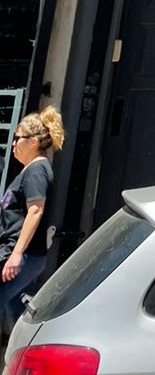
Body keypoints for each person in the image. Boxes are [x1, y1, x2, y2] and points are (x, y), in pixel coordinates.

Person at [0, 107, 65, 326]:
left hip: (22, 256)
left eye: (18, 138)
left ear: (33, 142)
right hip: (22, 256)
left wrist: (16, 254)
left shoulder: (36, 172)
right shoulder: (32, 170)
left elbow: (35, 210)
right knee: (19, 315)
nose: (13, 144)